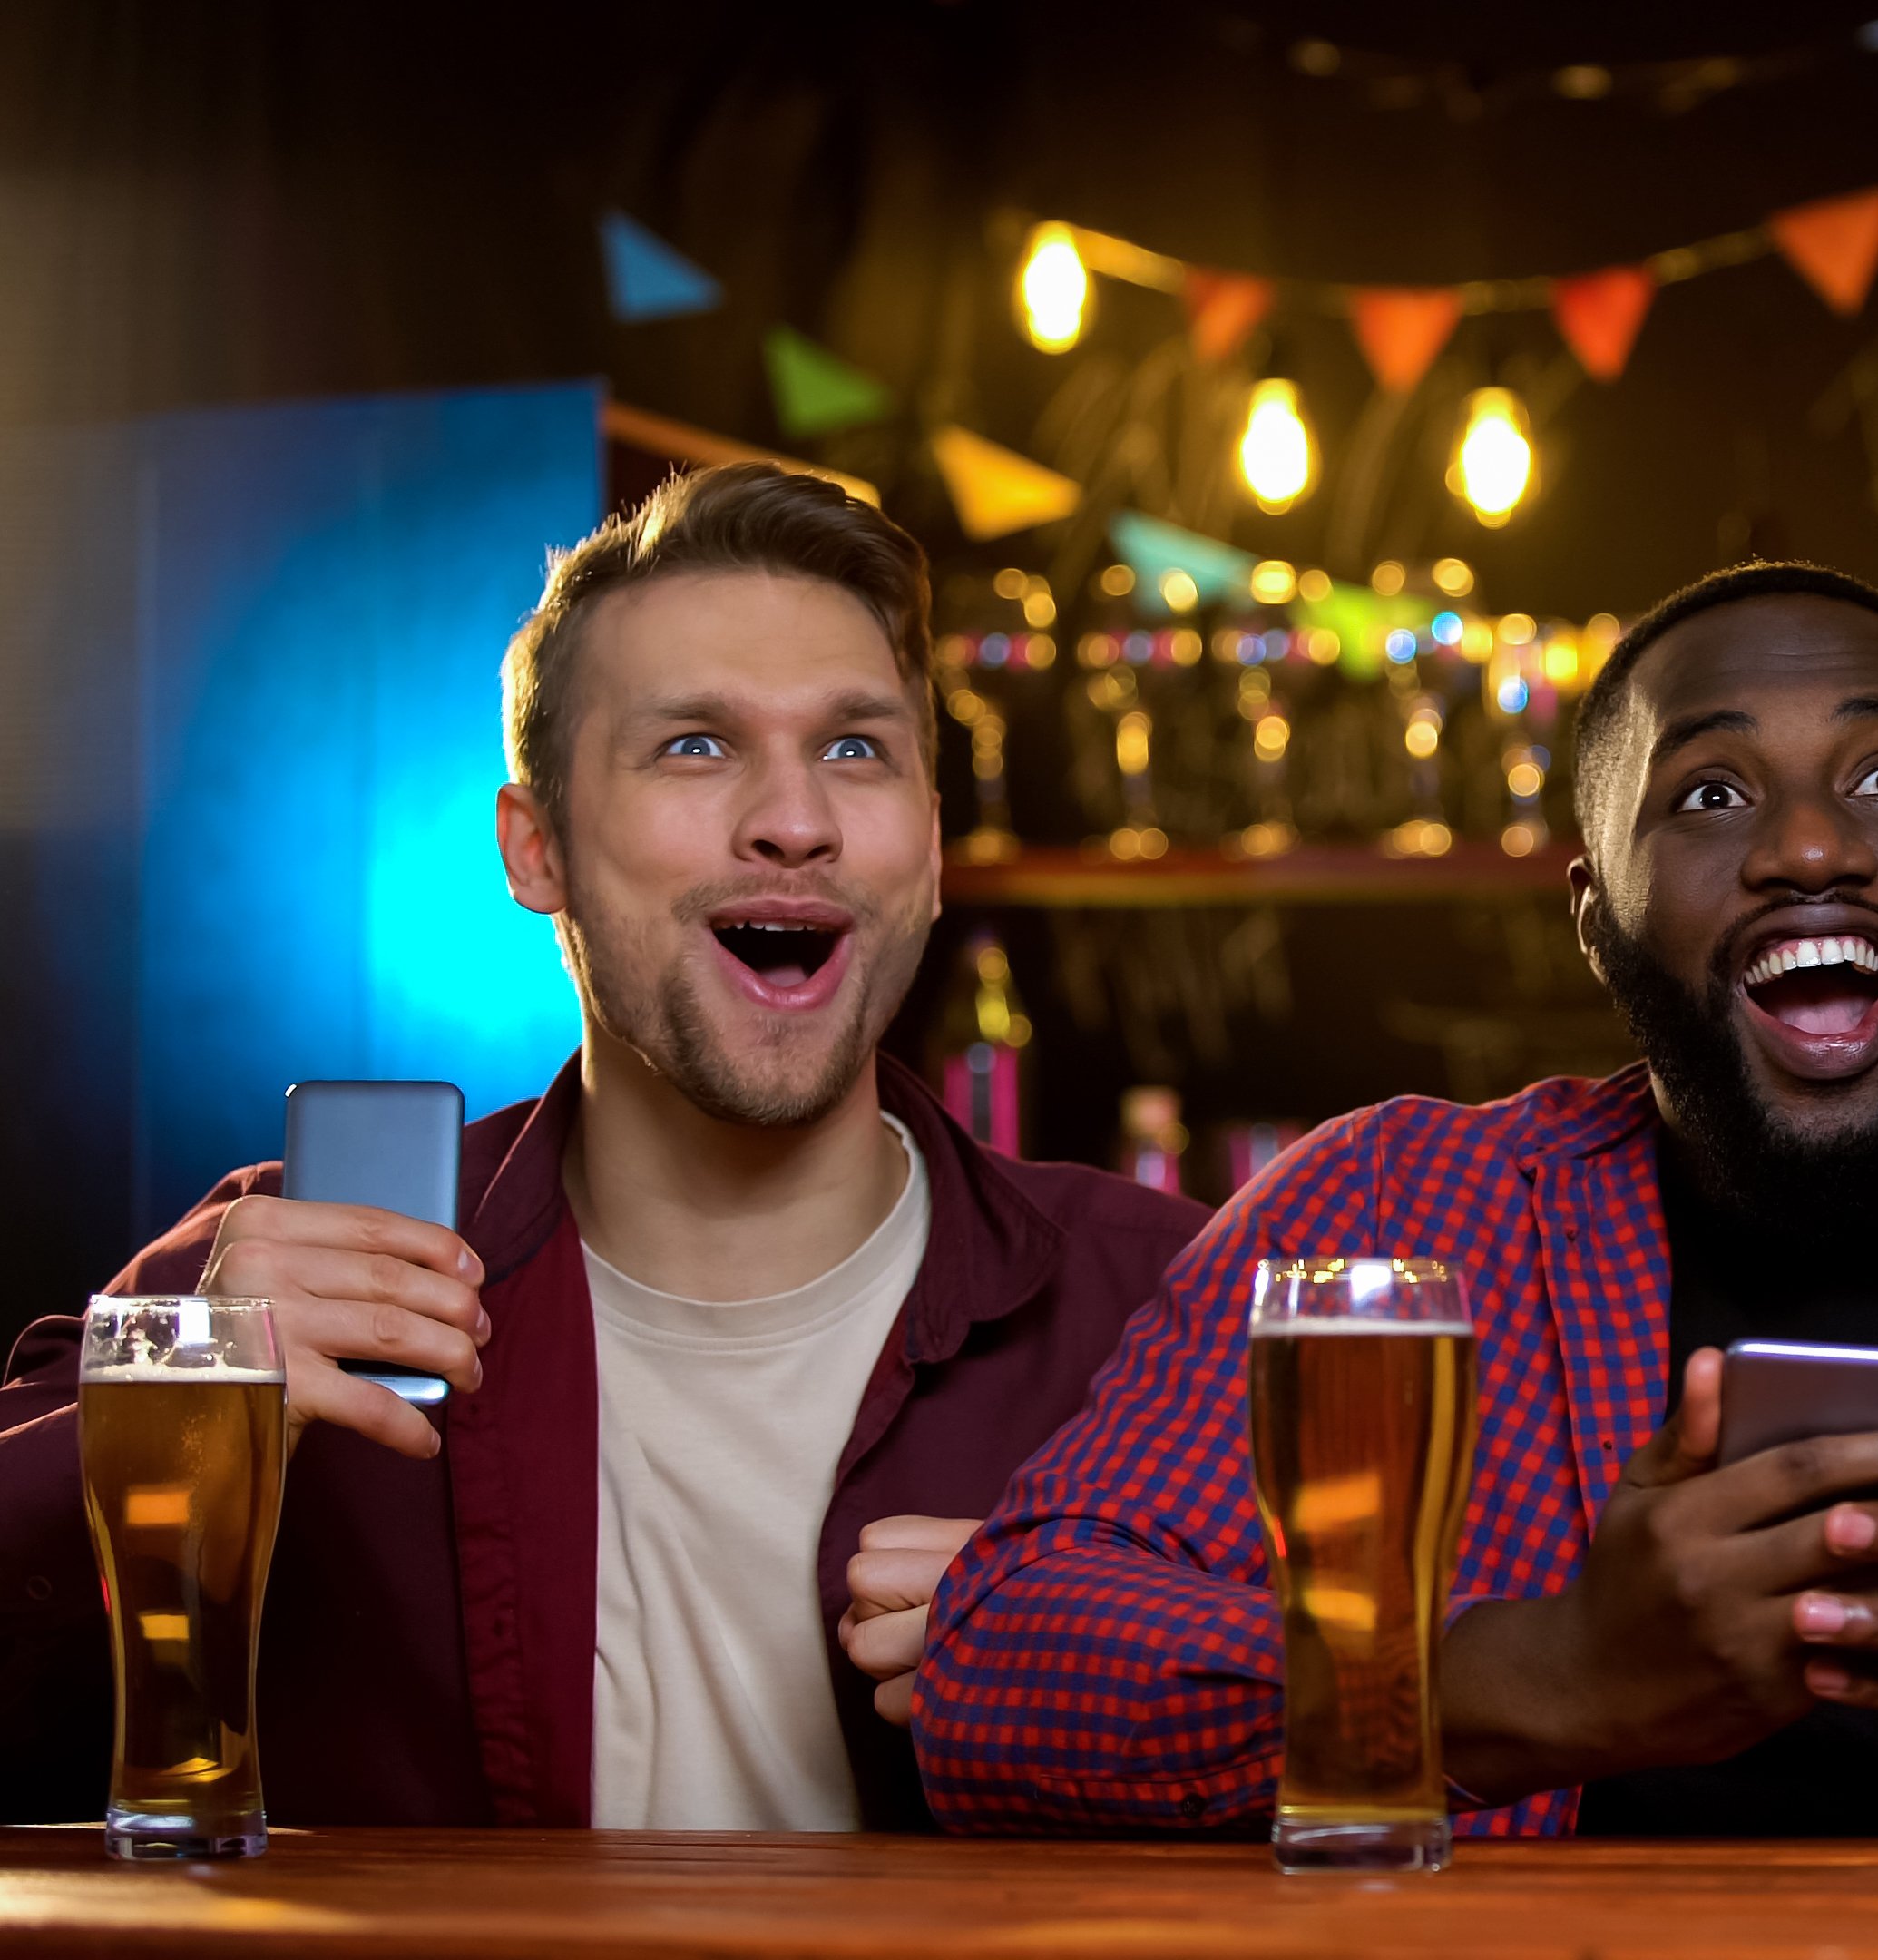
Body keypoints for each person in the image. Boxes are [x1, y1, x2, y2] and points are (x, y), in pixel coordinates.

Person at [917, 562, 1878, 1837]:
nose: (1810, 848)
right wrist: (1549, 1678)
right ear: (1597, 919)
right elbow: (1002, 1665)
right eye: (1711, 795)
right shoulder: (1392, 1217)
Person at [0, 463, 1207, 1830]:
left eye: (856, 748)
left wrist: (1165, 1668)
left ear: (928, 849)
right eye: (694, 744)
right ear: (539, 850)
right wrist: (159, 1422)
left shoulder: (1170, 1306)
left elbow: (1435, 1760)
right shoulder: (280, 1282)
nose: (795, 819)